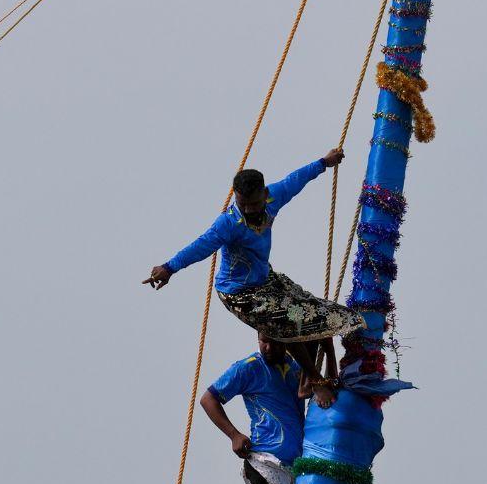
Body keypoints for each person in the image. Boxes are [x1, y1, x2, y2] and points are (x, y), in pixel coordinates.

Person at [145, 149, 363, 407]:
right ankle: (315, 381)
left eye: (254, 204)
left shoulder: (273, 198)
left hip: (266, 281)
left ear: (264, 194)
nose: (248, 210)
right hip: (238, 293)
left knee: (330, 315)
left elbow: (295, 180)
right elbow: (201, 245)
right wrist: (169, 267)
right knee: (283, 321)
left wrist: (324, 163)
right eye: (242, 204)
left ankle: (308, 380)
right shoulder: (228, 223)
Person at [200, 334, 309, 484]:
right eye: (263, 341)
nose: (268, 347)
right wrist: (233, 434)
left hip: (292, 467)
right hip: (264, 461)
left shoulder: (295, 368)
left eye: (275, 341)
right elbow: (208, 399)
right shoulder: (249, 367)